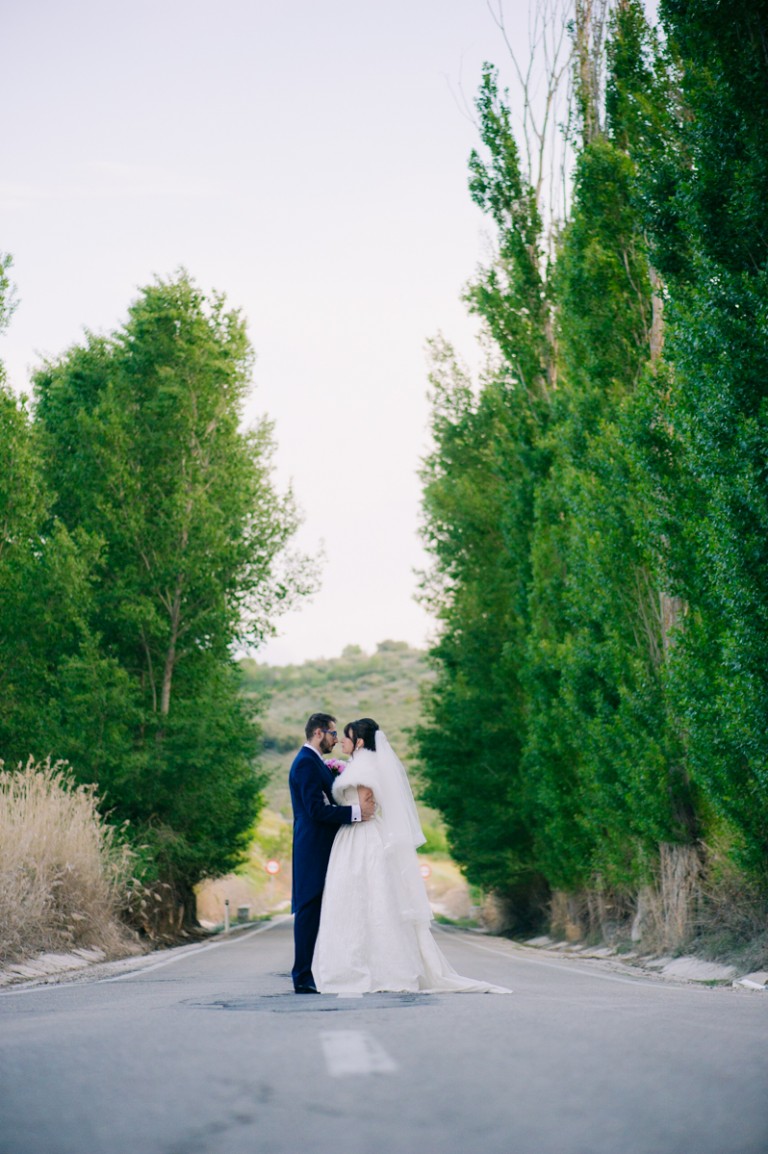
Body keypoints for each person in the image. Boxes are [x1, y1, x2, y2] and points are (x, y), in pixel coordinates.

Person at [313, 717, 511, 994]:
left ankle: (373, 969)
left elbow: (366, 808)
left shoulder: (364, 768)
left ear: (358, 741)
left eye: (346, 737)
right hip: (355, 836)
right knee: (362, 898)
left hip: (362, 838)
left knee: (366, 896)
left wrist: (346, 809)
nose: (342, 741)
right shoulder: (359, 765)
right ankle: (362, 964)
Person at [288, 712, 374, 993]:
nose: (336, 740)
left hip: (326, 845)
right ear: (318, 733)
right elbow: (315, 810)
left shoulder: (316, 763)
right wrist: (356, 813)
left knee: (323, 909)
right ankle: (302, 975)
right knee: (309, 909)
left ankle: (318, 970)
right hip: (312, 846)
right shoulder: (305, 765)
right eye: (333, 734)